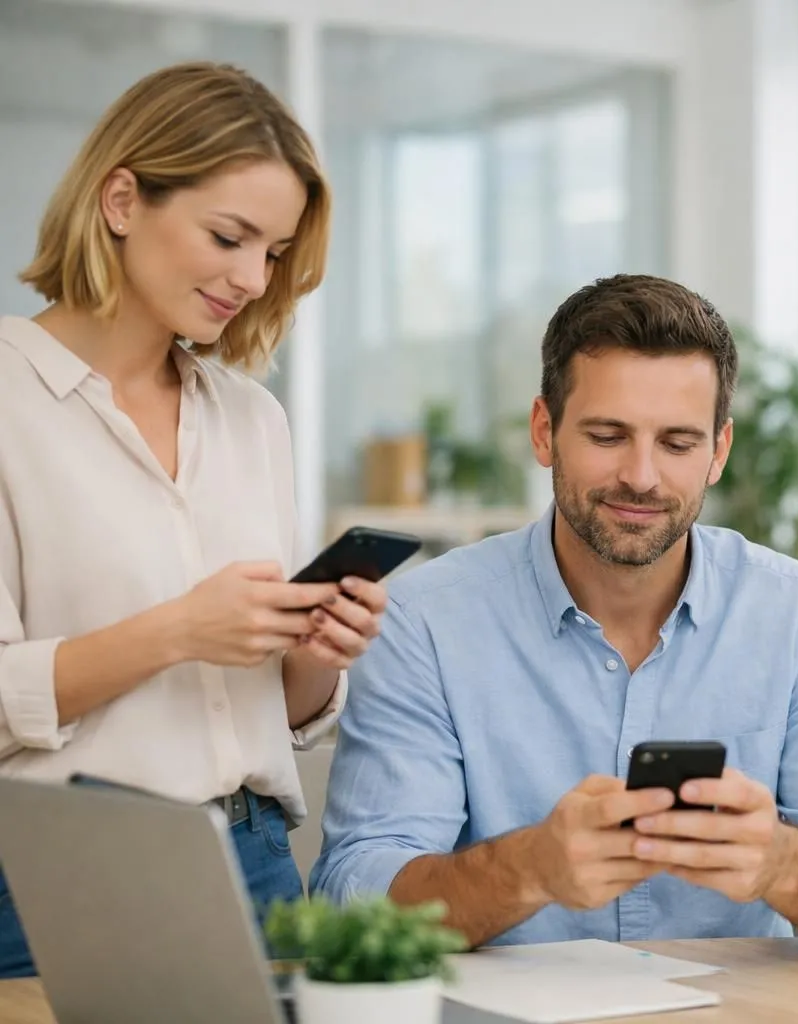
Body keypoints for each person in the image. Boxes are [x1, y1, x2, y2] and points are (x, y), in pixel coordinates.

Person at [310, 274, 798, 951]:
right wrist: (529, 869)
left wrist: (784, 864)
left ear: (718, 452)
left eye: (676, 443)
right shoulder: (423, 623)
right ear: (544, 431)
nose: (642, 475)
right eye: (608, 435)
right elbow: (351, 897)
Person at [0, 63, 388, 978]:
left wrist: (314, 651)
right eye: (229, 237)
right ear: (123, 199)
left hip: (257, 864)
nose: (254, 278)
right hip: (62, 876)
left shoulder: (253, 420)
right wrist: (177, 631)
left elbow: (273, 709)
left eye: (274, 252)